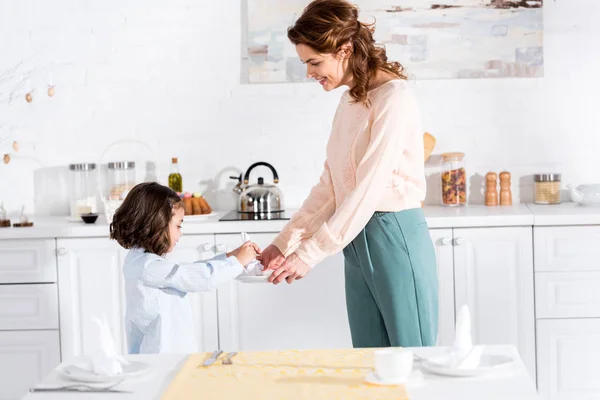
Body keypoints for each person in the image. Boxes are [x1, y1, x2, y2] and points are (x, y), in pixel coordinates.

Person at [260, 0, 438, 348]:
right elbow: (331, 185)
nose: (309, 73)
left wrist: (309, 254)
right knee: (370, 359)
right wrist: (283, 244)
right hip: (354, 238)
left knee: (411, 359)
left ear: (345, 50)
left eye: (314, 62)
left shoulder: (394, 98)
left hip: (394, 234)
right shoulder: (351, 100)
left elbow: (368, 190)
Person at [110, 182, 260, 354]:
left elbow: (187, 271)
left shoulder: (143, 261)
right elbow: (199, 277)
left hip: (164, 356)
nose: (181, 233)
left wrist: (231, 257)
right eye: (178, 225)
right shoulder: (148, 266)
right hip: (162, 358)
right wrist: (238, 262)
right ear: (156, 224)